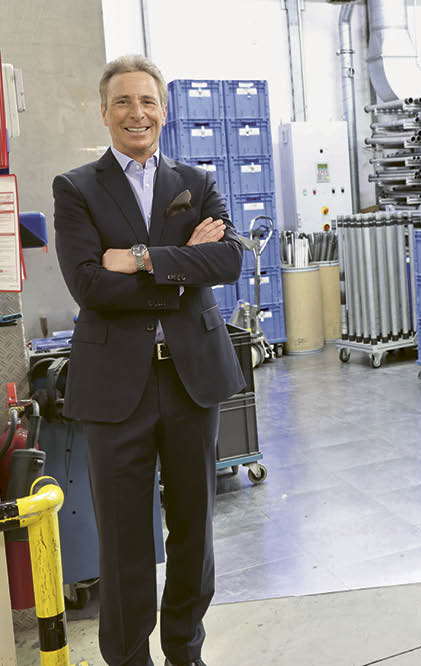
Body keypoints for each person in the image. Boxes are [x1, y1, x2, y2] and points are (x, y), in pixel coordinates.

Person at [53, 55, 245, 666]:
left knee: (193, 531)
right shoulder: (76, 188)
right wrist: (178, 262)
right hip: (116, 388)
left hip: (191, 379)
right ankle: (129, 657)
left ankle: (184, 649)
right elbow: (89, 286)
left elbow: (229, 261)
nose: (137, 113)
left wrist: (136, 258)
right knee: (125, 540)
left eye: (148, 101)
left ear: (164, 110)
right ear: (104, 112)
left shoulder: (197, 180)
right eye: (123, 102)